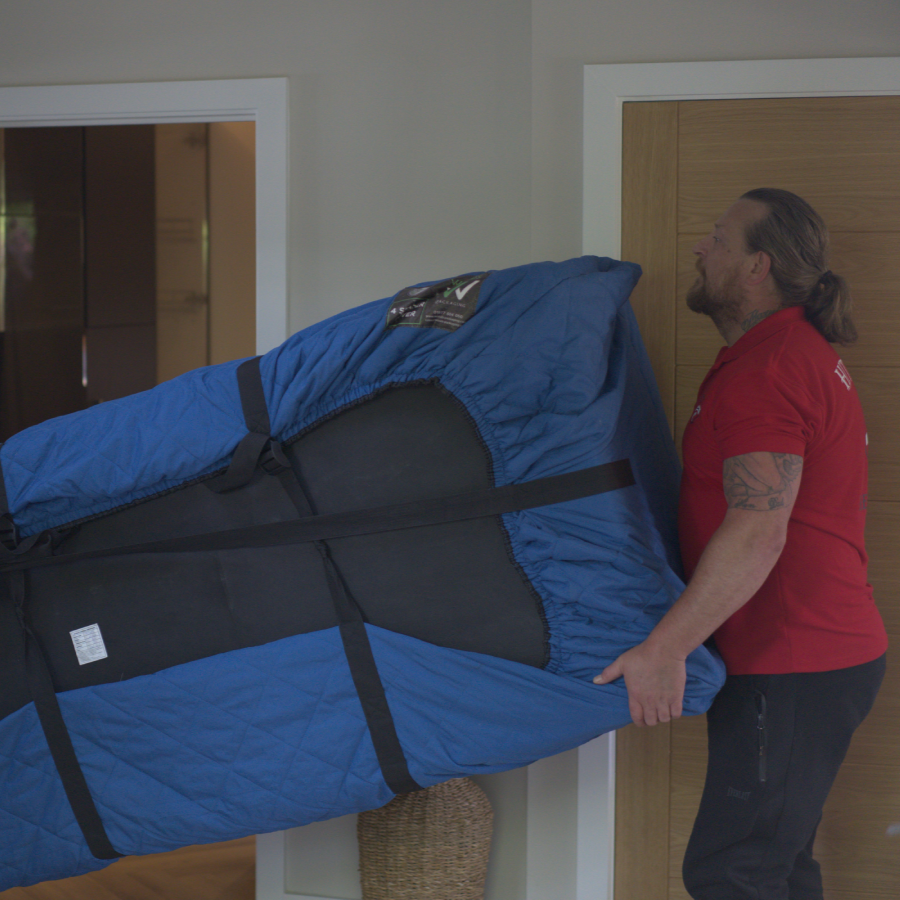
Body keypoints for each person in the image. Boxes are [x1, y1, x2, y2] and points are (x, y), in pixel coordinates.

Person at [594, 188, 888, 899]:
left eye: (718, 239)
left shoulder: (772, 368)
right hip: (804, 658)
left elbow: (758, 531)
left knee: (734, 873)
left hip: (794, 659)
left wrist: (664, 649)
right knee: (776, 868)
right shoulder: (776, 355)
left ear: (758, 266)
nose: (701, 248)